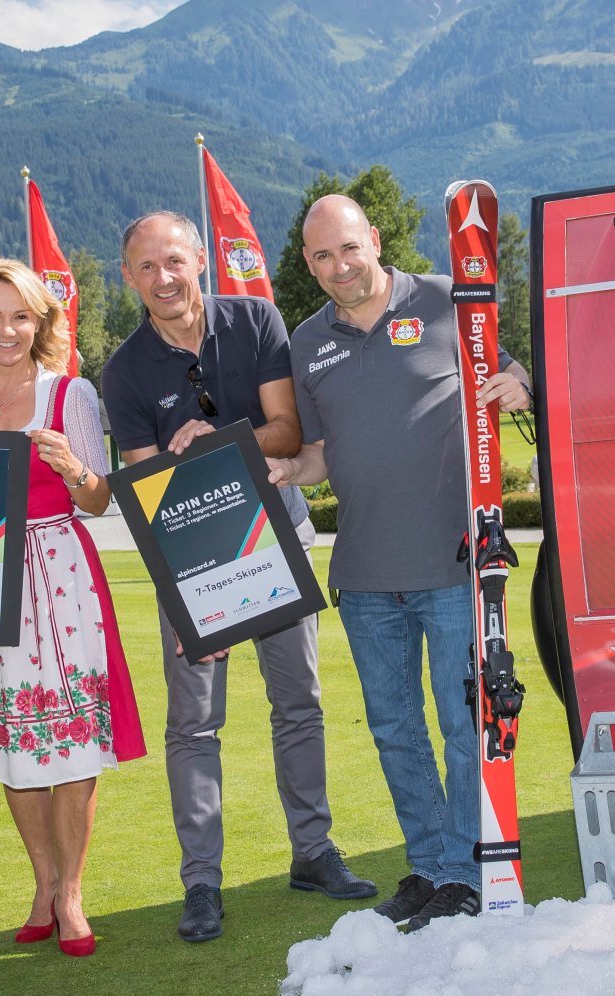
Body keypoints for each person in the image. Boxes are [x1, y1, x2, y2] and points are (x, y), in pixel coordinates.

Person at [102, 211, 375, 944]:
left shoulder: (254, 319)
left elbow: (287, 432)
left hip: (276, 538)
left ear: (200, 260)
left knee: (300, 703)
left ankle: (313, 853)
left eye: (175, 262)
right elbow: (144, 487)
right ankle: (201, 883)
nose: (164, 279)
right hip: (192, 562)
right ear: (129, 278)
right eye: (147, 268)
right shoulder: (124, 370)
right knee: (193, 724)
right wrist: (193, 596)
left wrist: (218, 440)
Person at [269, 195, 532, 930]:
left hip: (453, 565)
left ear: (374, 239)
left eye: (349, 248)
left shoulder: (451, 301)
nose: (338, 266)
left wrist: (520, 385)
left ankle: (464, 870)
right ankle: (428, 867)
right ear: (308, 263)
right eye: (321, 256)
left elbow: (515, 378)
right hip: (363, 576)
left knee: (458, 725)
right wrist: (291, 471)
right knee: (394, 730)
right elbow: (321, 453)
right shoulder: (308, 340)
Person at [0, 258, 148, 957]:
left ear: (41, 322)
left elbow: (99, 499)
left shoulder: (70, 395)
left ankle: (75, 894)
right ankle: (43, 885)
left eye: (21, 315)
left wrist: (72, 465)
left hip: (60, 575)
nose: (7, 329)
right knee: (11, 746)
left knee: (71, 741)